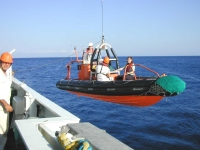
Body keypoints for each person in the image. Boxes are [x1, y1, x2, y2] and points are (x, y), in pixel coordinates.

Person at [0, 52, 13, 150]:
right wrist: (5, 104)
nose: (7, 64)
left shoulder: (6, 72)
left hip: (5, 108)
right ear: (0, 62)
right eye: (5, 62)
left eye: (9, 63)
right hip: (2, 108)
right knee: (3, 133)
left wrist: (11, 74)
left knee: (4, 130)